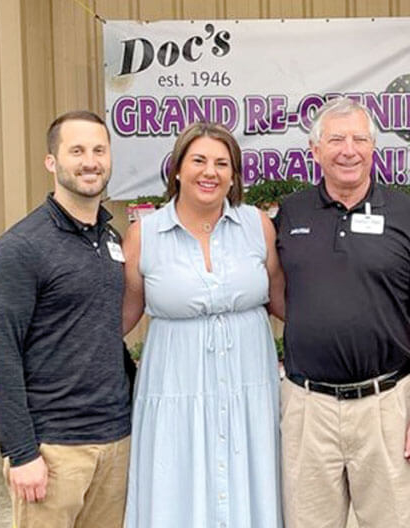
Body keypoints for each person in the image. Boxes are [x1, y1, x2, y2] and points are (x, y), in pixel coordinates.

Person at [274, 97, 410, 528]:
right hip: (307, 407)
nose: (348, 150)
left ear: (374, 148)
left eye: (358, 139)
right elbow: (278, 295)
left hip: (386, 404)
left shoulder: (408, 214)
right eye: (335, 139)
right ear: (315, 151)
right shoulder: (290, 213)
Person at [121, 121, 284, 527]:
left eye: (222, 163)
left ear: (234, 176)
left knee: (251, 484)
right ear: (177, 169)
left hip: (250, 388)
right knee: (177, 490)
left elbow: (284, 301)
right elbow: (121, 316)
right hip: (176, 387)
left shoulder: (257, 225)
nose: (210, 172)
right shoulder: (145, 234)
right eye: (198, 160)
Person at [0, 110, 132, 528]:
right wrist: (21, 452)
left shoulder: (110, 238)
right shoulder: (21, 247)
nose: (90, 161)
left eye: (99, 150)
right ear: (52, 161)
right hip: (54, 450)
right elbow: (3, 351)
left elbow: (104, 331)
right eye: (77, 151)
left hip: (115, 441)